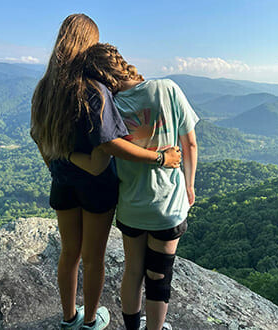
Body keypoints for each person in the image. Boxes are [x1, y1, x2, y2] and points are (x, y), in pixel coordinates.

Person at [30, 14, 181, 330]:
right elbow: (110, 143)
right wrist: (159, 158)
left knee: (69, 252)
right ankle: (89, 321)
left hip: (62, 181)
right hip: (96, 185)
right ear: (87, 43)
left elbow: (37, 134)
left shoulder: (44, 87)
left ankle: (68, 317)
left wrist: (59, 162)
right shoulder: (93, 89)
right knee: (93, 258)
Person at [70, 43, 199, 330]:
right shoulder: (168, 88)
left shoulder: (108, 109)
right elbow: (189, 144)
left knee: (133, 272)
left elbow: (98, 164)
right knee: (160, 274)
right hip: (169, 206)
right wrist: (189, 187)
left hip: (131, 207)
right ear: (121, 63)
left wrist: (63, 153)